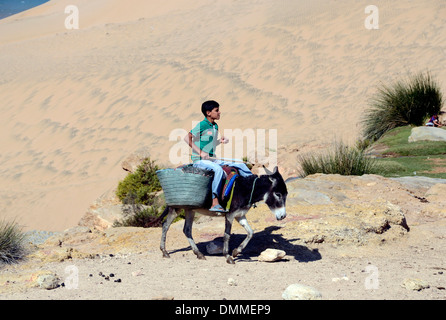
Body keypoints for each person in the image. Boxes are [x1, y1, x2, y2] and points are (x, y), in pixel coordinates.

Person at [184, 100, 253, 212]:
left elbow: (209, 143)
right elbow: (187, 138)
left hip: (212, 159)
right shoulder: (202, 125)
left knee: (239, 162)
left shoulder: (215, 126)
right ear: (208, 113)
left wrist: (219, 141)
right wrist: (200, 152)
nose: (219, 112)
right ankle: (214, 202)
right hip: (199, 160)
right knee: (218, 170)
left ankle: (252, 185)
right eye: (217, 110)